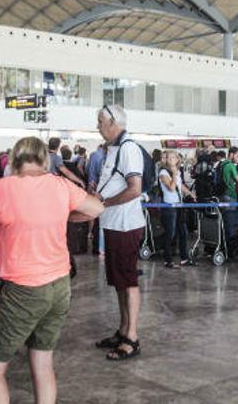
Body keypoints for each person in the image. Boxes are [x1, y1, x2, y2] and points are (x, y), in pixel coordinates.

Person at [0, 137, 103, 404]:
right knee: (42, 361)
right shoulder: (60, 185)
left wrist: (1, 225)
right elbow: (96, 208)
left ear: (13, 160)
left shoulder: (2, 187)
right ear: (44, 160)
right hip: (60, 286)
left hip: (23, 289)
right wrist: (61, 216)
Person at [94, 104, 146, 362]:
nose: (98, 126)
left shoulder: (129, 148)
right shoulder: (114, 149)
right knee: (119, 282)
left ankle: (132, 338)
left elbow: (134, 189)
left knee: (128, 282)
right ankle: (123, 329)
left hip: (125, 224)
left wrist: (104, 203)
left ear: (114, 122)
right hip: (113, 224)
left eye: (101, 121)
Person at [157, 150, 193, 268]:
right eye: (169, 158)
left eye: (174, 157)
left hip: (179, 205)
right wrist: (173, 174)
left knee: (183, 232)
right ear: (166, 160)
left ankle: (184, 258)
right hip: (169, 206)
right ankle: (168, 260)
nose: (172, 160)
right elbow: (171, 188)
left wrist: (190, 194)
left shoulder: (177, 171)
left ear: (178, 159)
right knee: (170, 233)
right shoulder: (163, 172)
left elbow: (179, 185)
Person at [87, 143, 107, 255]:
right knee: (102, 219)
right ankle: (100, 247)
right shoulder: (104, 158)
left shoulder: (92, 155)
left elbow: (88, 172)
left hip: (92, 189)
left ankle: (91, 235)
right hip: (100, 191)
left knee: (93, 215)